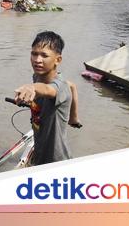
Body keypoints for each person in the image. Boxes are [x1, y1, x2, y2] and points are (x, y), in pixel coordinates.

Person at [14, 31, 78, 166]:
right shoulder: (37, 76)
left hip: (57, 161)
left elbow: (48, 89)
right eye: (34, 53)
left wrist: (32, 88)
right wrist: (74, 118)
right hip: (39, 154)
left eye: (44, 55)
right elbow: (72, 85)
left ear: (57, 60)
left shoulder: (59, 87)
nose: (37, 60)